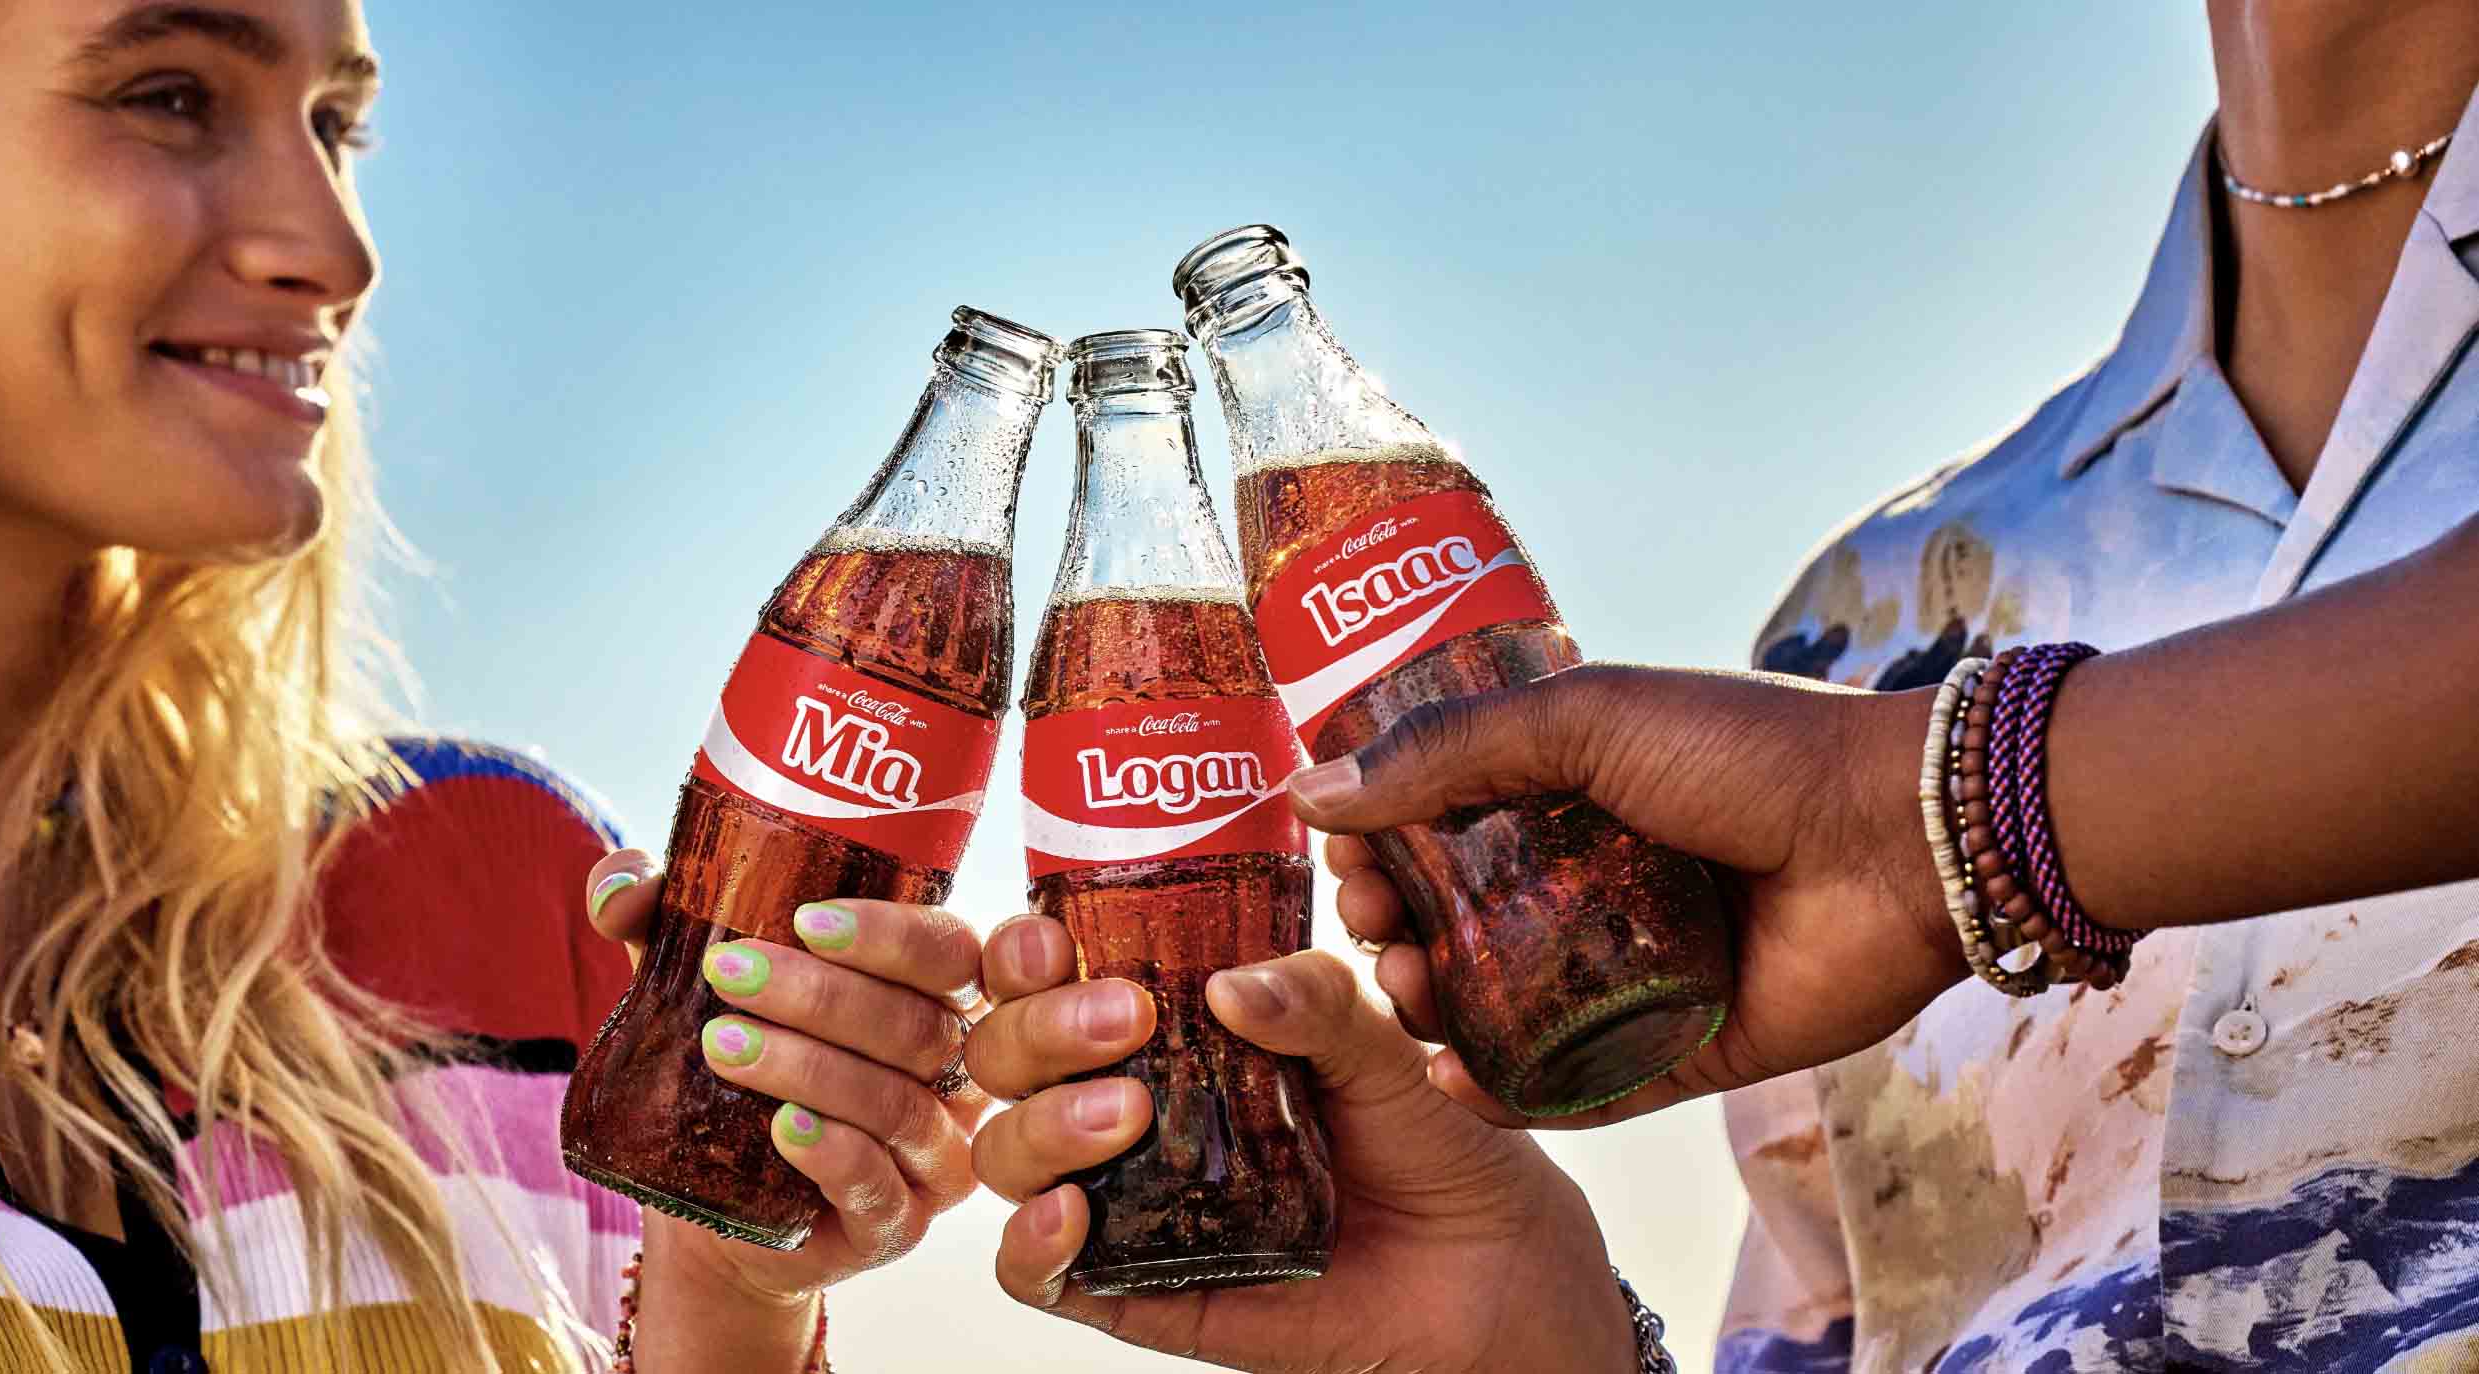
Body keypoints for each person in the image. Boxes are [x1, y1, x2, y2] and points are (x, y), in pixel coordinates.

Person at [971, 4, 2479, 1370]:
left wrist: (1942, 820)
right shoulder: (1863, 623)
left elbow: (1912, 817)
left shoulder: (1853, 741)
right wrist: (1543, 1337)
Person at [0, 2, 976, 1369]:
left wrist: (726, 1302)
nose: (339, 250)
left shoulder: (500, 893)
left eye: (335, 126)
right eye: (169, 95)